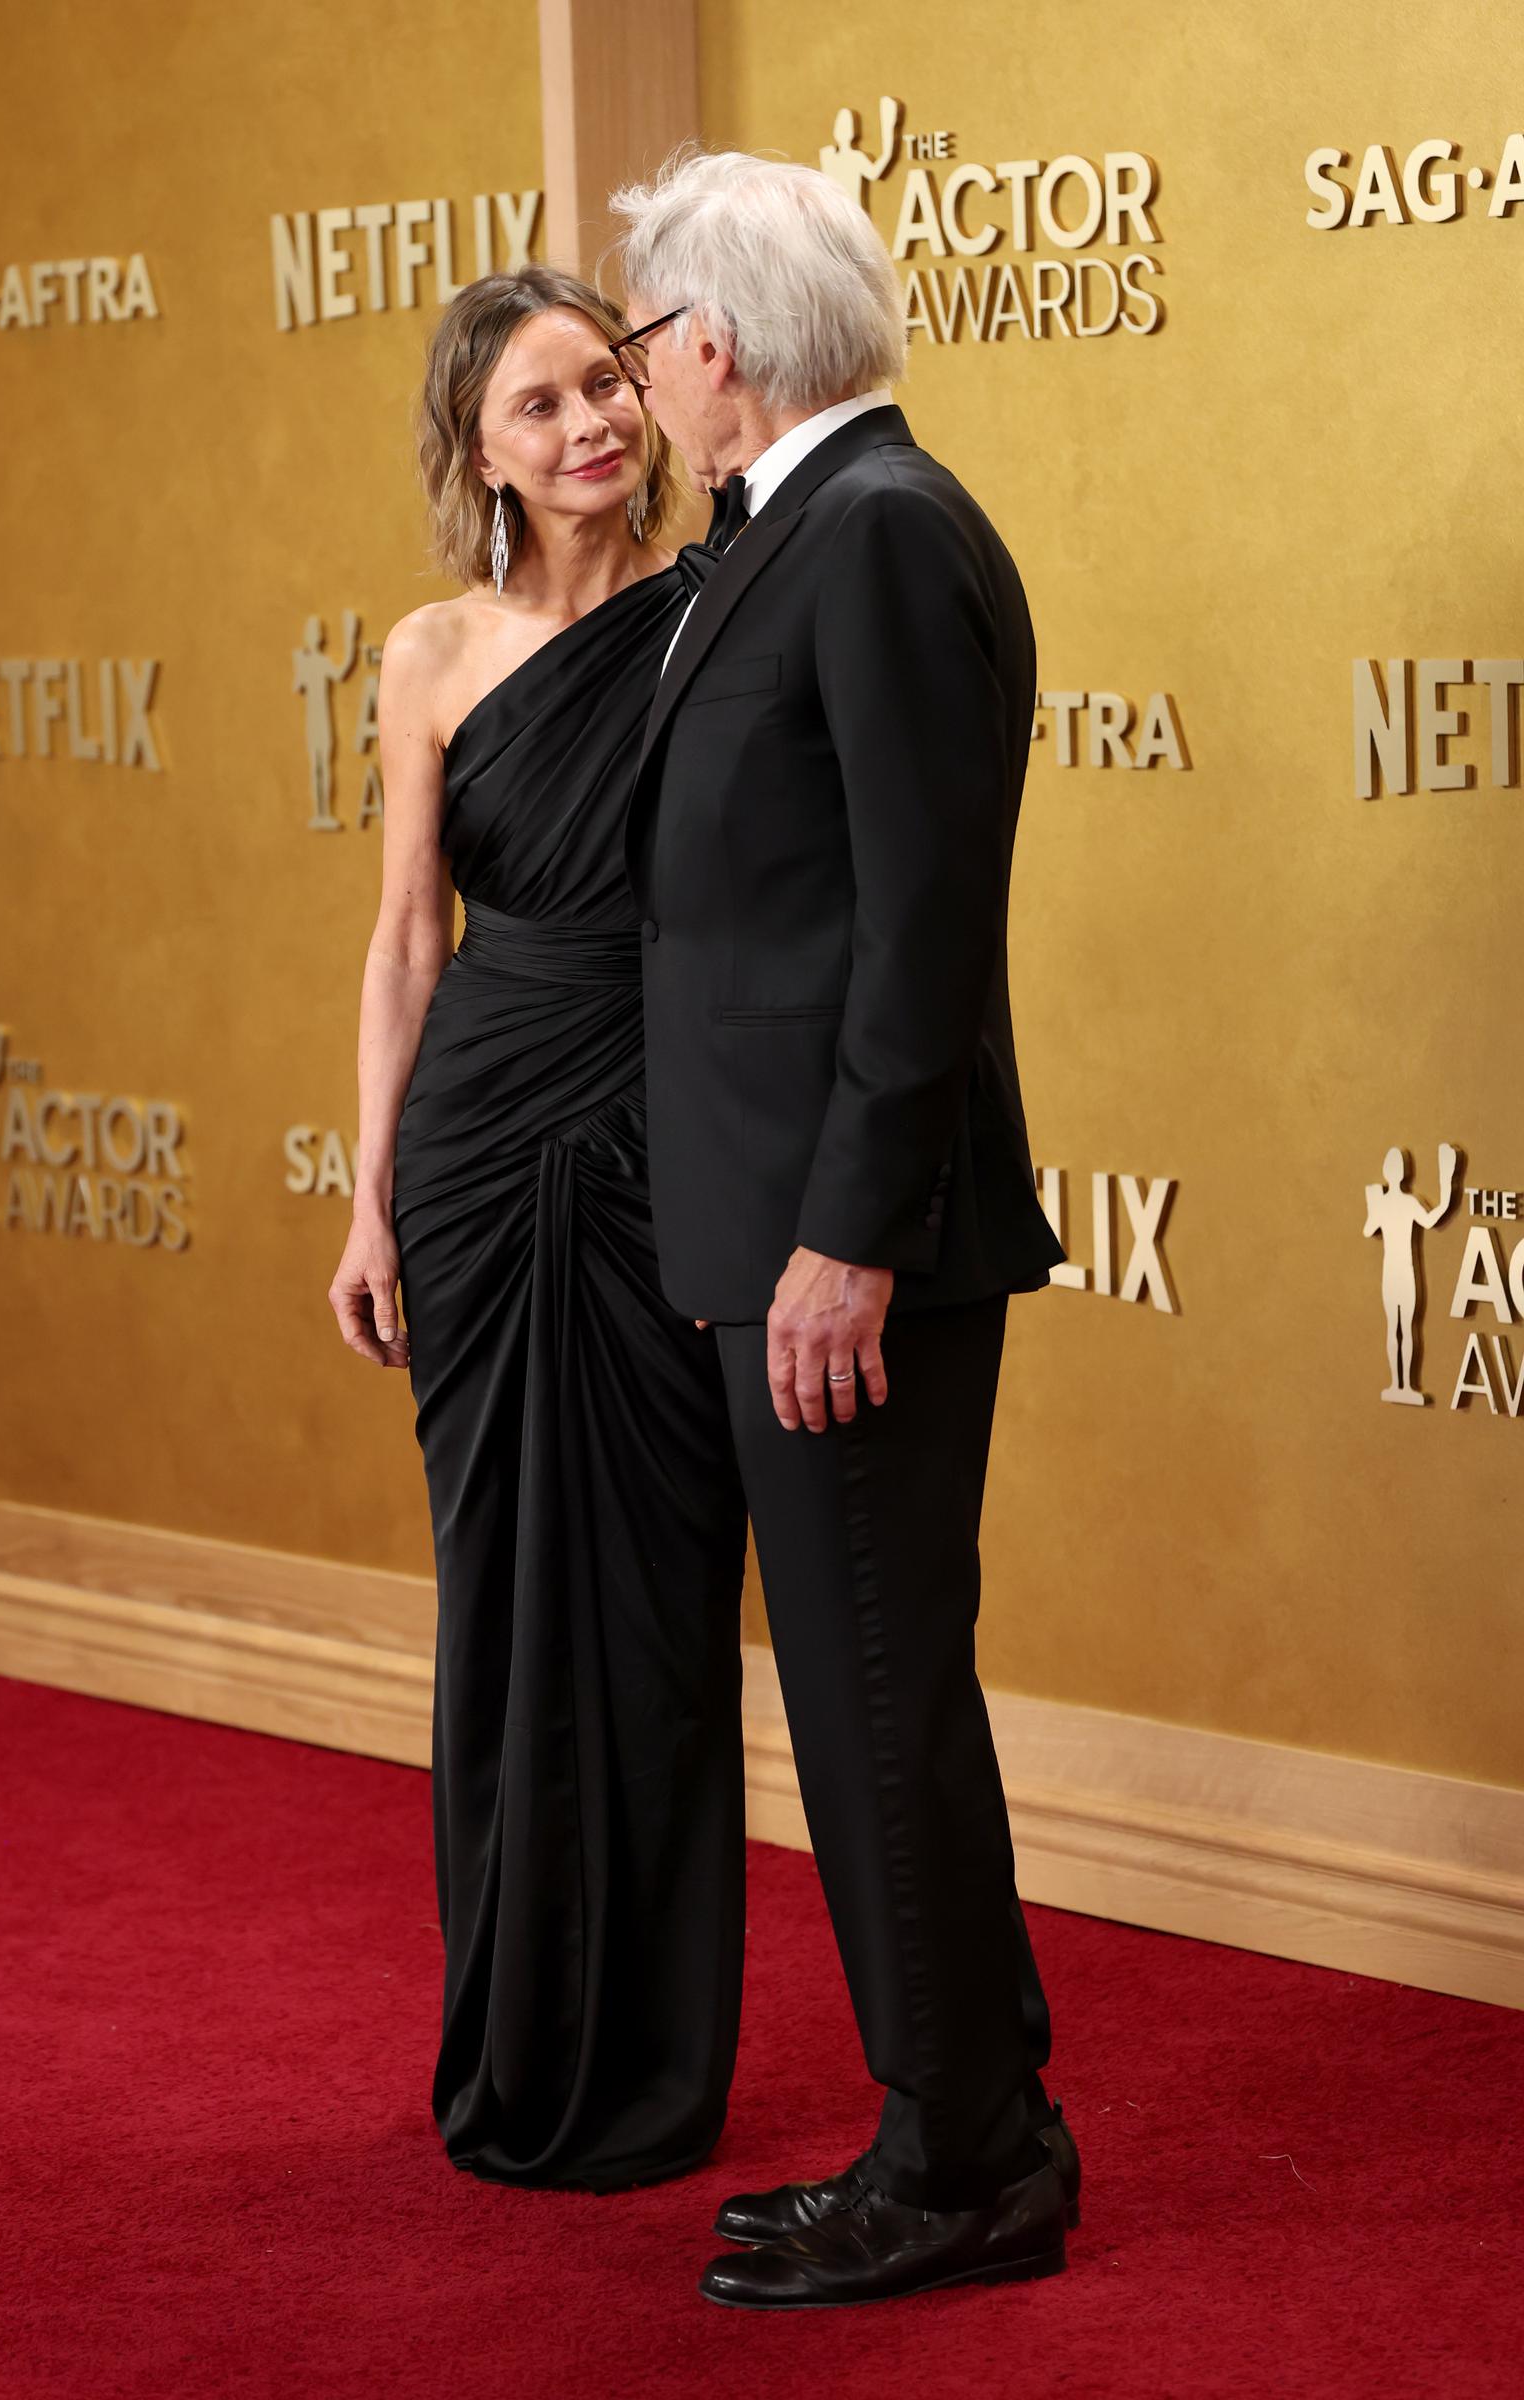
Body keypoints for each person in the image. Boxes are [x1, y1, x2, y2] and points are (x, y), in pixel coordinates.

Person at [610, 147, 1080, 2308]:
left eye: (641, 341)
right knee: (876, 1695)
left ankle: (960, 2167)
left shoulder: (878, 534)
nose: (637, 379)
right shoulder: (779, 529)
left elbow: (916, 927)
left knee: (874, 1695)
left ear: (709, 345)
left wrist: (843, 1240)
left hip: (842, 1246)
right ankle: (970, 2109)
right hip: (773, 1223)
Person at [326, 265, 749, 2192]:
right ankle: (506, 2041)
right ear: (478, 454)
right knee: (498, 1593)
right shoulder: (426, 653)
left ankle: (653, 2061)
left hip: (668, 1136)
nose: (588, 425)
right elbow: (410, 937)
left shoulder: (715, 614)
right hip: (484, 1157)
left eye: (605, 386)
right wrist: (371, 1195)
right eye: (538, 407)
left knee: (661, 1594)